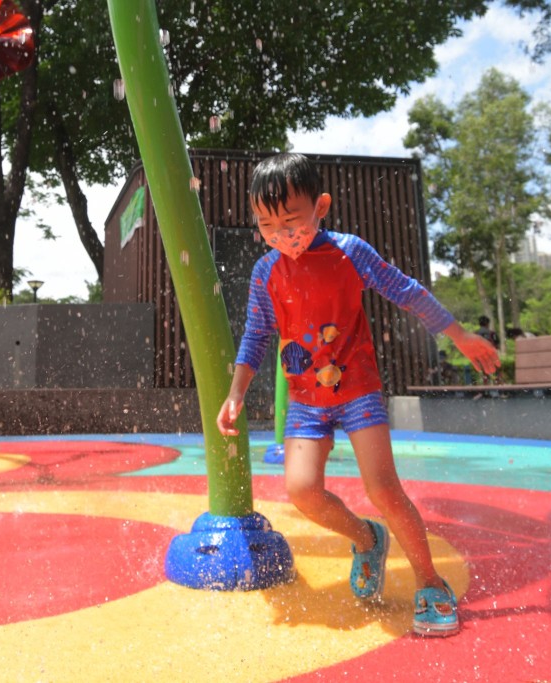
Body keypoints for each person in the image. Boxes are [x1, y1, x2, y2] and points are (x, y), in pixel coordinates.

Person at [216, 153, 500, 637]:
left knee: (383, 488)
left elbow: (405, 291)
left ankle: (430, 583)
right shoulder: (265, 273)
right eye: (267, 224)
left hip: (359, 387)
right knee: (303, 490)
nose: (282, 233)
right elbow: (256, 333)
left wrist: (458, 335)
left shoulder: (349, 251)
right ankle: (367, 538)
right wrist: (235, 392)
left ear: (320, 206)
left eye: (291, 220)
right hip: (306, 398)